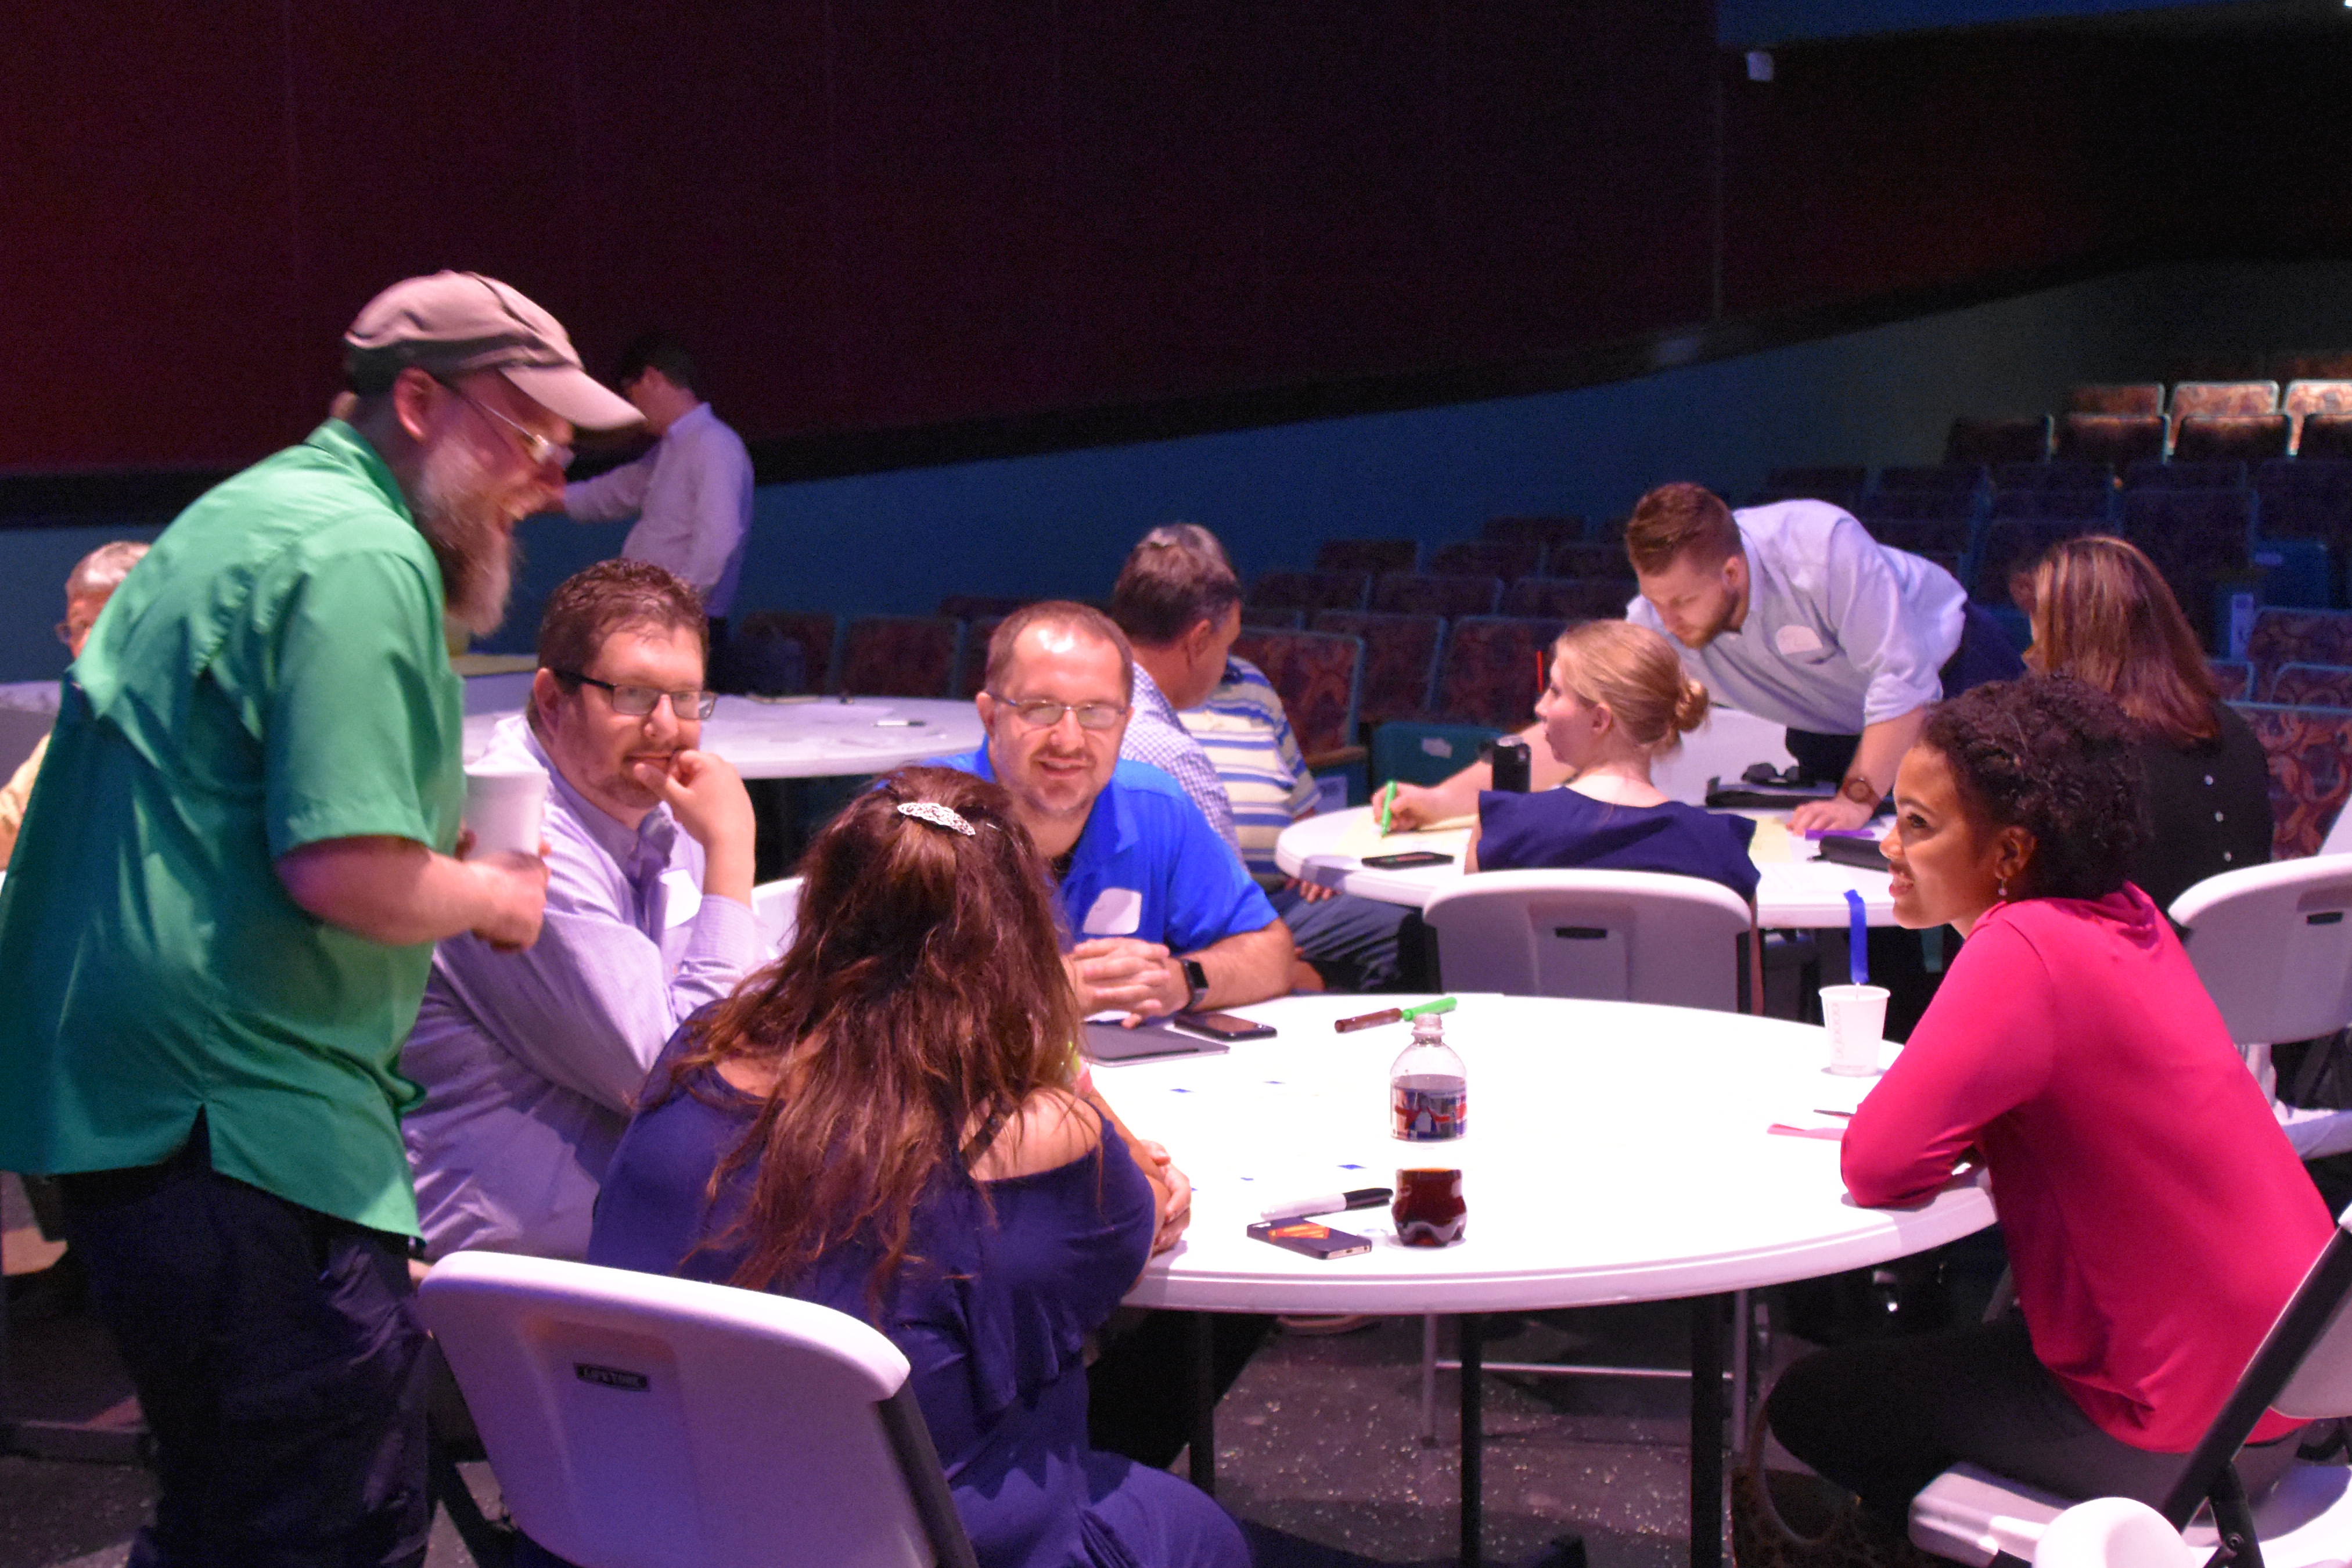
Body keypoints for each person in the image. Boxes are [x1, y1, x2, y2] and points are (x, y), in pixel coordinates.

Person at [0, 269, 641, 1566]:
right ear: (418, 401)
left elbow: (255, 821)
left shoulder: (253, 514)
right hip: (237, 1123)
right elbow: (343, 874)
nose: (551, 479)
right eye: (529, 436)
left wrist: (421, 859)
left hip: (147, 1120)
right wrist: (497, 899)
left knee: (226, 1518)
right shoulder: (362, 553)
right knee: (322, 1525)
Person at [585, 767, 1249, 1568]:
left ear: (822, 910)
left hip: (652, 1520)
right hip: (916, 1538)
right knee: (1195, 1531)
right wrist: (1055, 1064)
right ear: (1017, 942)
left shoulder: (701, 1049)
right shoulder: (1018, 1132)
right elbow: (1144, 1216)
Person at [1764, 677, 2333, 1526]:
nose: (1888, 845)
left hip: (2178, 1448)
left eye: (1917, 825)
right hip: (2288, 1396)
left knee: (1813, 1400)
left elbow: (1879, 1163)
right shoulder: (2126, 914)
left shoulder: (2021, 949)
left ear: (2010, 854)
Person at [401, 560, 761, 1263]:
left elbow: (745, 1015)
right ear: (553, 699)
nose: (667, 727)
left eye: (687, 699)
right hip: (517, 1287)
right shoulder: (515, 834)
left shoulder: (660, 805)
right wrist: (732, 852)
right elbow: (679, 1081)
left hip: (644, 1245)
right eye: (633, 694)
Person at [937, 600, 1294, 1022]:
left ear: (1126, 723)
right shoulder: (920, 823)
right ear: (990, 717)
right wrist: (1039, 993)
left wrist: (1184, 981)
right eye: (1041, 709)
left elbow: (1272, 953)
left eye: (1096, 714)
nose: (1069, 741)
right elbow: (862, 1004)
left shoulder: (1157, 809)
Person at [1112, 524, 1408, 991]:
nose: (1229, 660)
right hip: (1191, 959)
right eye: (1227, 644)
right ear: (1198, 640)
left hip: (1142, 940)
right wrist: (1287, 966)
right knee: (1414, 937)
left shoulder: (1096, 707)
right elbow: (1231, 929)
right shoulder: (1173, 757)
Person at [2022, 534, 2270, 913]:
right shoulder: (2235, 729)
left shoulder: (2079, 752)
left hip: (2133, 964)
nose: (2032, 646)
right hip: (2243, 965)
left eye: (2038, 620)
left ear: (2067, 635)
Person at [1468, 620, 1759, 902]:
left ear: (1599, 720)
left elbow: (1473, 947)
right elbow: (1744, 954)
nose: (1540, 708)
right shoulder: (1722, 847)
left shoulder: (1501, 827)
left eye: (1556, 692)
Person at [561, 332, 754, 646]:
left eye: (630, 393)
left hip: (683, 626)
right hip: (662, 619)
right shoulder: (669, 452)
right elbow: (611, 495)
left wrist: (675, 606)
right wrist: (543, 497)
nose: (632, 407)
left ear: (651, 378)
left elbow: (718, 538)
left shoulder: (713, 445)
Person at [0, 540, 148, 869]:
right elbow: (10, 823)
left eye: (109, 623)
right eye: (79, 627)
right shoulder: (81, 718)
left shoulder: (201, 715)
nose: (87, 644)